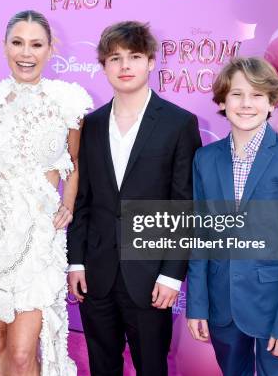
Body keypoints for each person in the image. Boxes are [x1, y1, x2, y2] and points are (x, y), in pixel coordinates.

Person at [0, 10, 92, 376]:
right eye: (17, 43)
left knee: (22, 352)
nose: (26, 53)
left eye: (36, 44)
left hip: (38, 244)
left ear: (51, 49)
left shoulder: (68, 101)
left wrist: (67, 202)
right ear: (4, 48)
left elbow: (74, 162)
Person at [67, 21, 202, 375]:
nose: (125, 66)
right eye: (115, 58)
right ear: (103, 66)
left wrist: (172, 276)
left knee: (152, 367)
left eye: (134, 57)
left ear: (151, 62)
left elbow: (184, 205)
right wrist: (76, 262)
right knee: (102, 366)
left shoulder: (178, 123)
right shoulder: (89, 125)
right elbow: (82, 200)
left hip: (151, 275)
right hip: (97, 273)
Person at [186, 57, 278, 376]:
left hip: (275, 306)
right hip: (223, 304)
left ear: (272, 102)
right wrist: (198, 305)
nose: (246, 104)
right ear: (222, 100)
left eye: (257, 94)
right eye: (236, 94)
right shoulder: (205, 159)